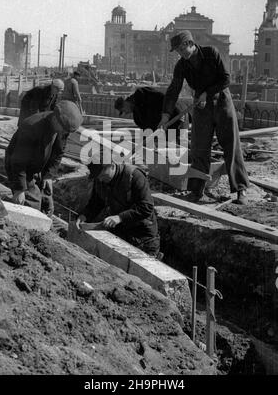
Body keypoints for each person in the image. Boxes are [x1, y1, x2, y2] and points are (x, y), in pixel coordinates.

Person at [158, 30, 249, 205]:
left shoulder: (211, 53)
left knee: (231, 145)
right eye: (177, 50)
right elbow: (173, 91)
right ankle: (196, 191)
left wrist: (207, 93)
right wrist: (166, 114)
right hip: (201, 106)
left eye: (181, 49)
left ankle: (240, 190)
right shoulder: (182, 65)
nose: (180, 53)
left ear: (190, 44)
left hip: (222, 102)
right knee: (199, 147)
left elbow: (226, 79)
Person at [5, 100, 83, 216]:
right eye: (64, 130)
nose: (65, 133)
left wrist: (48, 176)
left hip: (38, 165)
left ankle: (44, 224)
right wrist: (19, 189)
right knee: (33, 204)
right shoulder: (32, 127)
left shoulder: (62, 128)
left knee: (47, 204)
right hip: (19, 167)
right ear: (55, 119)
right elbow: (18, 161)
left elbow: (58, 154)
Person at [76, 159, 161, 258]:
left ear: (112, 165)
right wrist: (84, 215)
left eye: (102, 176)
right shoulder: (100, 179)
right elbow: (97, 202)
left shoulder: (134, 176)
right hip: (122, 233)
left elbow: (146, 207)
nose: (101, 179)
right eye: (98, 177)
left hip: (143, 237)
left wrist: (120, 217)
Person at [114, 86, 189, 142]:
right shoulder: (137, 118)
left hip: (174, 116)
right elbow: (146, 130)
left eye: (123, 110)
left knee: (177, 142)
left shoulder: (141, 94)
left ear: (125, 103)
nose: (126, 113)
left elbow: (162, 98)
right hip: (165, 128)